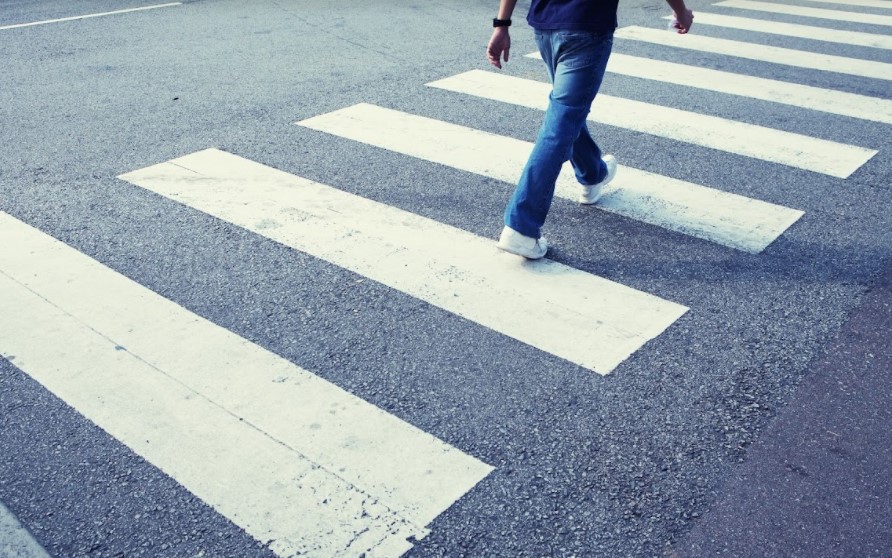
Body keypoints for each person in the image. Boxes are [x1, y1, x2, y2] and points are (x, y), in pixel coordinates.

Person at [487, 0, 694, 259]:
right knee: (560, 125)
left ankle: (592, 174)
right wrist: (681, 12)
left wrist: (502, 24)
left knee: (567, 113)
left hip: (546, 27)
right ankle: (521, 226)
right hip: (586, 27)